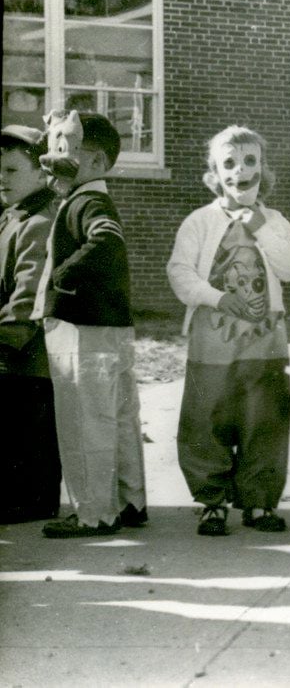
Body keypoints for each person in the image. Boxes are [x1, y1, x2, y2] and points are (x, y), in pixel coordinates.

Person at [167, 125, 290, 536]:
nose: (240, 171)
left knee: (264, 418)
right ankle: (212, 501)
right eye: (229, 163)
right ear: (214, 173)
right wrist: (214, 297)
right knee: (207, 418)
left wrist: (261, 225)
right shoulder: (199, 221)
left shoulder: (275, 220)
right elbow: (179, 271)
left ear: (263, 169)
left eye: (249, 162)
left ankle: (260, 500)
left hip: (265, 339)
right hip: (214, 338)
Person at [32, 111, 148, 538]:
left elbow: (106, 240)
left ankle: (94, 512)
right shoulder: (89, 198)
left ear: (97, 163)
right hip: (110, 324)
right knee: (118, 417)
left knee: (84, 421)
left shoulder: (86, 202)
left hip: (81, 326)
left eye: (66, 151)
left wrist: (62, 276)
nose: (53, 161)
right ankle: (129, 500)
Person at [0, 125, 61, 524]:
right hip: (13, 350)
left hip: (26, 355)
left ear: (42, 174)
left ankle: (34, 502)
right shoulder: (13, 216)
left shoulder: (38, 222)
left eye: (11, 171)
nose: (1, 180)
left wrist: (5, 343)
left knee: (28, 433)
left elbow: (28, 296)